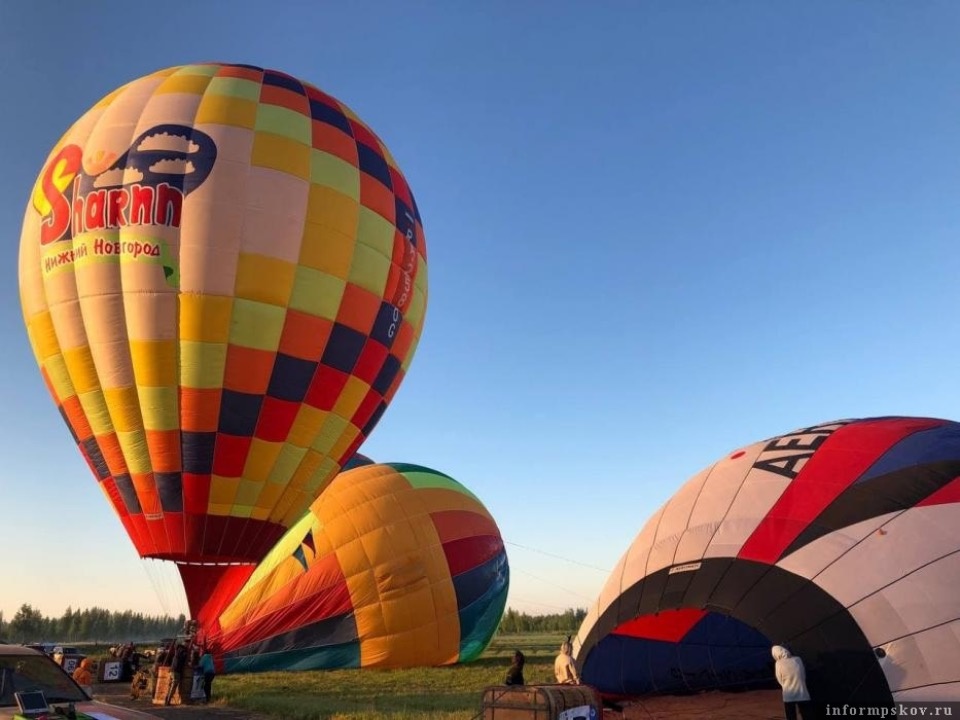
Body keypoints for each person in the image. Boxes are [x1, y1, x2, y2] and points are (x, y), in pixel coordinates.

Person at [772, 645, 813, 720]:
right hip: (802, 692)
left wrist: (786, 685)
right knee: (807, 715)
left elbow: (779, 679)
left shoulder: (778, 663)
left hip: (788, 694)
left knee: (791, 716)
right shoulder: (798, 659)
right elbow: (803, 675)